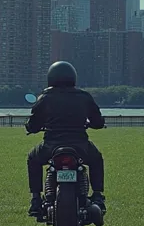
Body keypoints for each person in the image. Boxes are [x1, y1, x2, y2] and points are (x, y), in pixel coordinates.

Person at [25, 61, 106, 217]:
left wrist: (29, 127)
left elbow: (33, 125)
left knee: (33, 158)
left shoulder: (45, 98)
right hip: (80, 146)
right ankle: (97, 195)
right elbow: (98, 122)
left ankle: (35, 199)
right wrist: (92, 124)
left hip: (51, 146)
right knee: (96, 159)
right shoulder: (84, 97)